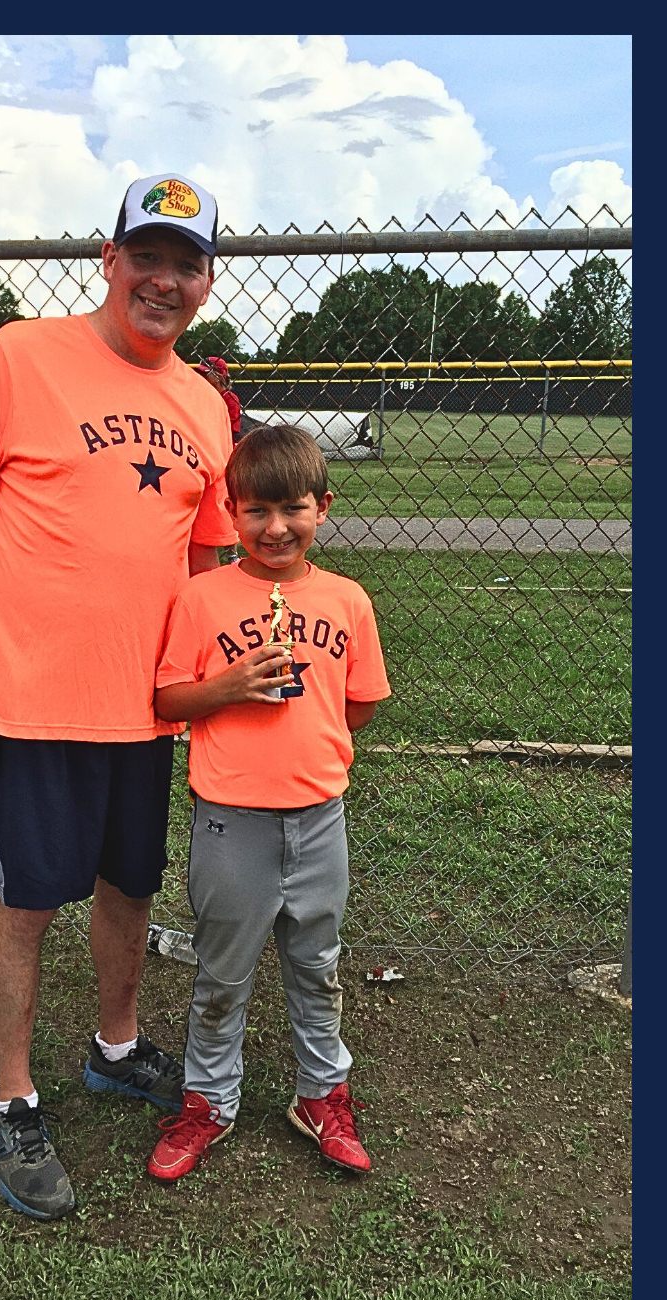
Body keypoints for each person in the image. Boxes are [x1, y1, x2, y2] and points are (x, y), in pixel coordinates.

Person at [0, 173, 238, 1221]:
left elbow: (204, 565)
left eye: (185, 263)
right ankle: (12, 1098)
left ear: (206, 283)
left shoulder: (204, 405)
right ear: (108, 260)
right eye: (146, 256)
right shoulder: (21, 356)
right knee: (26, 902)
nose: (163, 279)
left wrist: (201, 690)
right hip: (33, 703)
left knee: (130, 886)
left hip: (147, 708)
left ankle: (114, 1044)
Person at [148, 424, 391, 1181]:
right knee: (222, 974)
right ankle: (208, 1102)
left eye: (292, 509)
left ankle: (321, 1095)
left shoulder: (347, 600)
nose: (275, 527)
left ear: (324, 507)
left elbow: (359, 705)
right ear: (231, 513)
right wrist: (228, 688)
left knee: (316, 964)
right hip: (231, 820)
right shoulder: (202, 597)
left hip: (319, 818)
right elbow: (167, 698)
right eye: (255, 511)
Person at [193, 356, 243, 441]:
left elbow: (232, 430)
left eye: (205, 374)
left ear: (218, 377)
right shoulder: (201, 395)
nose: (201, 377)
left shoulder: (230, 399)